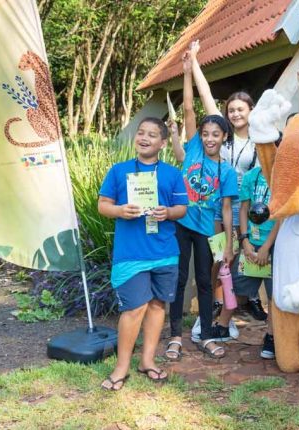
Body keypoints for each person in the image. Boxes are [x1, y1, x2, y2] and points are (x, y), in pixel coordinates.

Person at [98, 118, 188, 390]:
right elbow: (103, 205)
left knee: (158, 305)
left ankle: (147, 360)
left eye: (152, 135)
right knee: (134, 307)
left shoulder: (173, 174)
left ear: (163, 143)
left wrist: (168, 212)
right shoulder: (119, 171)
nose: (144, 138)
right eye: (141, 133)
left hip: (164, 252)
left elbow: (182, 208)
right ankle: (121, 367)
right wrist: (120, 211)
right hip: (131, 254)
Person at [167, 42, 239, 359]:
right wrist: (187, 72)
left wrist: (227, 244)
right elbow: (188, 109)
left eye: (216, 135)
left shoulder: (227, 170)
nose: (209, 138)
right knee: (179, 280)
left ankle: (208, 336)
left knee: (205, 283)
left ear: (225, 138)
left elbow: (226, 209)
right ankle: (174, 337)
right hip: (180, 222)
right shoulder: (194, 149)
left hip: (206, 230)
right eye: (206, 133)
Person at [238, 165, 280, 359]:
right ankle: (222, 326)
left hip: (274, 244)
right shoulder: (250, 176)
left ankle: (271, 336)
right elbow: (244, 208)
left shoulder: (282, 176)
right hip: (251, 243)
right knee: (236, 285)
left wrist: (266, 247)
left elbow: (282, 216)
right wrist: (244, 239)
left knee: (273, 296)